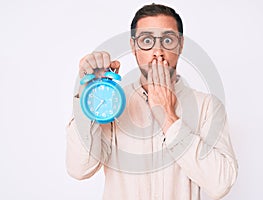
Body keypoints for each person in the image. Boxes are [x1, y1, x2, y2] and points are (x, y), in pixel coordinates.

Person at [66, 3, 238, 200]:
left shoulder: (207, 107)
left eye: (167, 40)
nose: (158, 51)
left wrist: (169, 118)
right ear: (133, 46)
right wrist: (90, 95)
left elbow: (221, 183)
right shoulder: (112, 104)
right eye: (147, 40)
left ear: (181, 45)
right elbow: (80, 168)